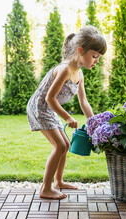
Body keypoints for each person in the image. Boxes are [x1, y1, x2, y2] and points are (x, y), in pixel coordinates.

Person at [26, 26, 107, 199]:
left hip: (48, 108)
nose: (96, 61)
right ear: (80, 50)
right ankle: (45, 188)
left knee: (66, 145)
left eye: (98, 58)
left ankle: (58, 182)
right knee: (60, 146)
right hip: (40, 107)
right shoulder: (64, 69)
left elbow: (83, 101)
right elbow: (49, 98)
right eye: (94, 56)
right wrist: (68, 117)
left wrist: (93, 123)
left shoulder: (79, 74)